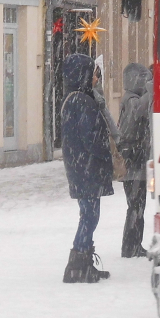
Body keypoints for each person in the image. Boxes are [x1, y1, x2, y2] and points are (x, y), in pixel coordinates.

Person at [60, 54, 114, 283]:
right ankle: (78, 264)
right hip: (87, 168)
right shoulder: (82, 101)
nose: (95, 78)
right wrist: (106, 154)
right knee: (90, 216)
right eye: (93, 73)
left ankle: (82, 262)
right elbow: (91, 137)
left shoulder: (73, 99)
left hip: (80, 166)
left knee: (89, 214)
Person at [117, 63, 153, 258]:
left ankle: (133, 244)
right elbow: (138, 112)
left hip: (136, 161)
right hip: (134, 162)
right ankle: (131, 245)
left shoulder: (131, 99)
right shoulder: (131, 101)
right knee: (136, 207)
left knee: (137, 206)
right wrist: (153, 89)